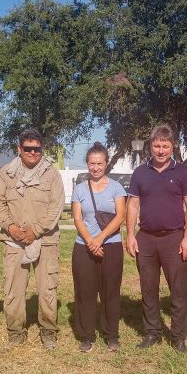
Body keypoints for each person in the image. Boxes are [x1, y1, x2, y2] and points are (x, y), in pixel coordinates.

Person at [126, 124, 187, 352]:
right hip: (146, 238)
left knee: (178, 289)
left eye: (165, 146)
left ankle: (178, 336)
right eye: (157, 146)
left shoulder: (183, 172)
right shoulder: (140, 173)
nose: (161, 150)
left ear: (172, 146)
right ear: (150, 146)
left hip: (174, 237)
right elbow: (132, 205)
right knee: (148, 288)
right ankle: (152, 333)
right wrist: (130, 235)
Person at [0, 129, 64, 350]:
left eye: (37, 149)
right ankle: (16, 332)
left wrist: (36, 231)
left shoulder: (52, 174)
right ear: (19, 149)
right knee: (13, 290)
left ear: (42, 149)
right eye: (28, 148)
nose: (32, 152)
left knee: (47, 289)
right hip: (13, 241)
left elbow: (56, 208)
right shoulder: (6, 173)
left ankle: (48, 332)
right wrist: (11, 227)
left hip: (45, 240)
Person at [71, 142, 127, 353]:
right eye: (92, 164)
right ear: (87, 164)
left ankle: (111, 335)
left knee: (110, 292)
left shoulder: (116, 187)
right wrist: (90, 241)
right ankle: (87, 335)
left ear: (106, 163)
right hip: (84, 246)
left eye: (100, 163)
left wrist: (100, 238)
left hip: (110, 245)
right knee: (85, 292)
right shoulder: (79, 189)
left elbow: (120, 216)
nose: (96, 168)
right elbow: (78, 218)